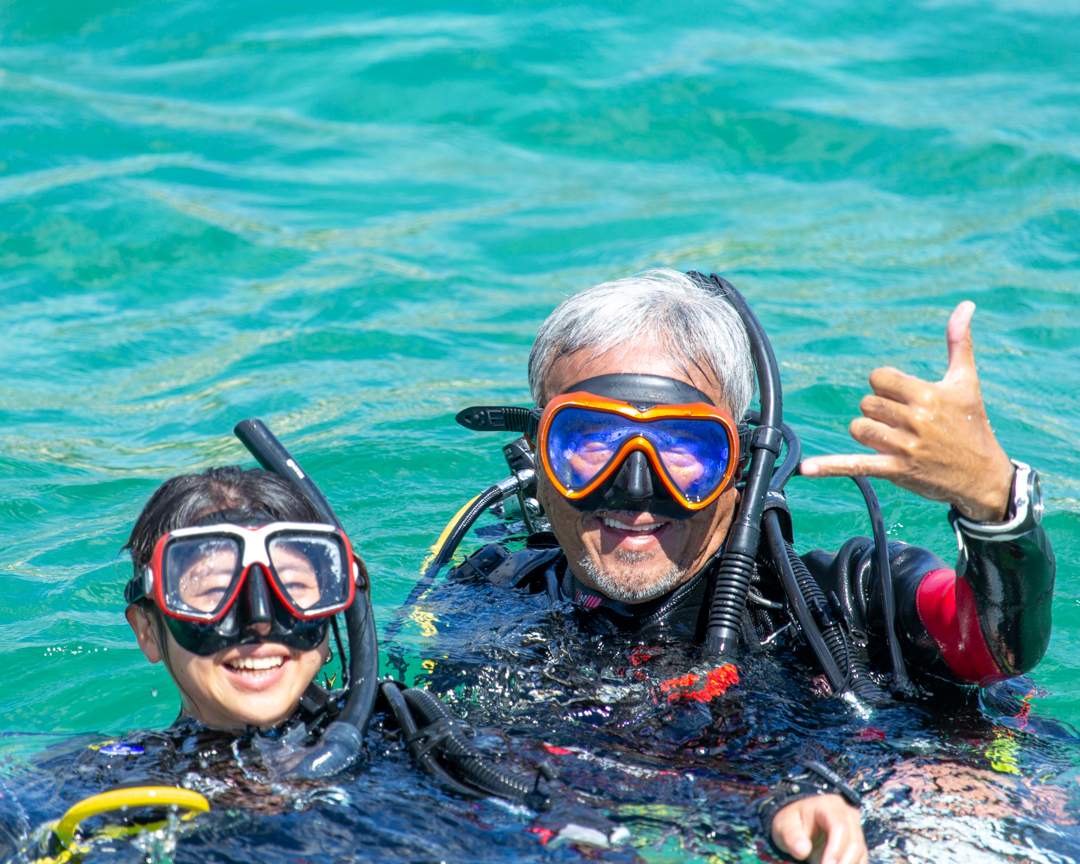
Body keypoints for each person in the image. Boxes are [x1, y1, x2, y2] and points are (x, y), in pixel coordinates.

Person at [438, 269, 1054, 864]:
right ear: (537, 461)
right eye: (590, 441)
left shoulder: (845, 598)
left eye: (684, 447)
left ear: (741, 465)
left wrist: (994, 506)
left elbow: (993, 648)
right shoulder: (493, 593)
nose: (633, 487)